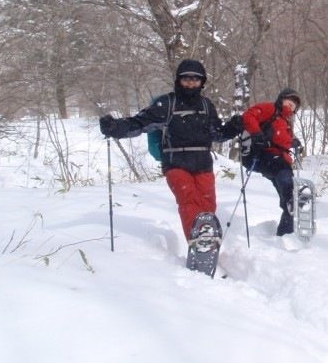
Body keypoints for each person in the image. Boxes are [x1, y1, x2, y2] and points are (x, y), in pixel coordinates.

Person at [99, 59, 243, 241]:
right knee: (188, 198)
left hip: (203, 164)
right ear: (178, 80)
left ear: (202, 82)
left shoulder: (207, 106)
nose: (191, 83)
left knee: (208, 203)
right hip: (176, 163)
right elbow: (140, 123)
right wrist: (115, 128)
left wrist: (233, 127)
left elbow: (217, 133)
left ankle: (207, 238)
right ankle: (198, 237)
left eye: (195, 79)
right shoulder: (167, 104)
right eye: (186, 79)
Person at [242, 88, 302, 237]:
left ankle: (285, 234)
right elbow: (249, 116)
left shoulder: (285, 122)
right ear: (281, 100)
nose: (291, 106)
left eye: (294, 105)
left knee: (286, 198)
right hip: (262, 155)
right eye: (289, 102)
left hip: (277, 158)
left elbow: (280, 139)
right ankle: (291, 199)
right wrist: (256, 134)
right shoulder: (271, 109)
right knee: (282, 171)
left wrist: (292, 142)